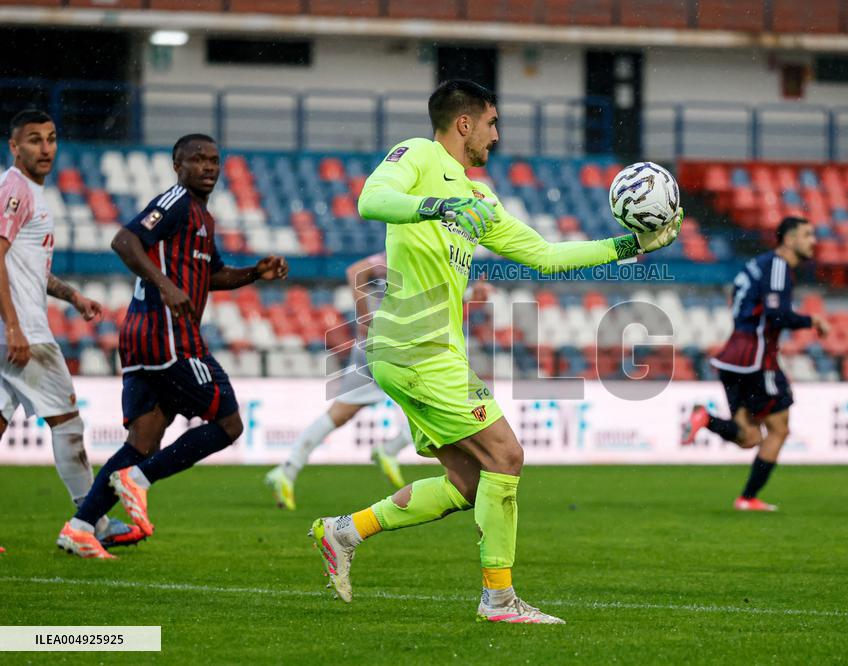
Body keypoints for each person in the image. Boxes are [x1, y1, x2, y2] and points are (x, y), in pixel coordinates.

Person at [307, 79, 682, 624]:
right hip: (416, 345)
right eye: (492, 123)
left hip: (431, 350)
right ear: (465, 123)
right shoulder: (418, 155)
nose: (496, 135)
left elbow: (547, 256)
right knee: (506, 456)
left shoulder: (480, 198)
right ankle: (499, 600)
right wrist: (438, 206)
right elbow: (371, 199)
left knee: (470, 483)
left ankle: (344, 532)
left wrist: (631, 246)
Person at [56, 133, 289, 558]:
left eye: (214, 160)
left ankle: (80, 526)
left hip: (145, 338)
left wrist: (255, 272)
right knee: (229, 424)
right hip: (167, 335)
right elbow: (124, 241)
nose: (208, 167)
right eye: (197, 159)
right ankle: (137, 481)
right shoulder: (177, 200)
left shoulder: (202, 216)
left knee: (141, 442)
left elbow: (212, 275)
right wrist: (164, 285)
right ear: (177, 165)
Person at [0, 109, 142, 550]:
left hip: (14, 329)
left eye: (51, 138)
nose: (45, 148)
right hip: (23, 335)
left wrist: (73, 297)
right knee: (68, 424)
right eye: (34, 140)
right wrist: (15, 328)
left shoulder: (29, 193)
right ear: (14, 146)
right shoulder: (15, 190)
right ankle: (92, 521)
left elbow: (27, 268)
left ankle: (92, 520)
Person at [683, 216, 830, 511]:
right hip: (756, 358)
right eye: (807, 235)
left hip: (733, 356)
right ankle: (747, 498)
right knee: (779, 428)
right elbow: (777, 315)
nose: (813, 241)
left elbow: (742, 302)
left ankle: (706, 419)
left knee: (750, 437)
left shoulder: (758, 264)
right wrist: (811, 319)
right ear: (788, 239)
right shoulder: (778, 266)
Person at [265, 252, 412, 510]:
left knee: (340, 413)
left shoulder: (416, 250)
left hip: (383, 346)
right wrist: (365, 320)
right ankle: (391, 449)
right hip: (388, 346)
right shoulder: (408, 249)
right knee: (434, 403)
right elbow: (355, 270)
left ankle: (287, 470)